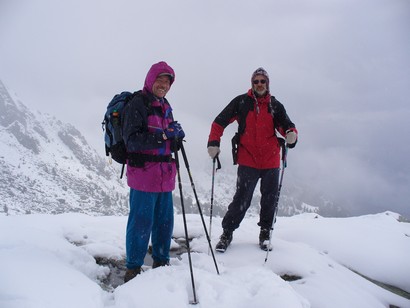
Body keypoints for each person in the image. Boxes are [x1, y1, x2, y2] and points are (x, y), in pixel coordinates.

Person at [207, 67, 298, 252]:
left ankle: (265, 233)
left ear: (267, 83)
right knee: (242, 199)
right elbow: (219, 121)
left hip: (271, 159)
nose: (259, 84)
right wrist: (213, 142)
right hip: (248, 158)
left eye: (262, 81)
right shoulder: (242, 102)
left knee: (269, 199)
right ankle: (227, 233)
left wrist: (291, 134)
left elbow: (287, 126)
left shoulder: (275, 105)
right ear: (252, 83)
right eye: (256, 81)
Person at [121, 61, 185, 282]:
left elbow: (167, 140)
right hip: (144, 176)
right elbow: (132, 141)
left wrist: (175, 139)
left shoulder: (165, 105)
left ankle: (161, 261)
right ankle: (133, 268)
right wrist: (165, 136)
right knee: (141, 222)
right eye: (160, 80)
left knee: (164, 223)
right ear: (151, 79)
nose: (164, 85)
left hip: (164, 176)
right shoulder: (138, 103)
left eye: (167, 82)